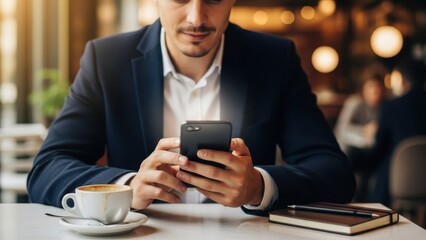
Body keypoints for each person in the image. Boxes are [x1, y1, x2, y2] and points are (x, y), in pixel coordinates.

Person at [27, 0, 355, 215]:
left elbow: (335, 173)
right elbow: (47, 169)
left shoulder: (275, 59)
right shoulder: (107, 60)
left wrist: (258, 187)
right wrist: (127, 188)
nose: (196, 18)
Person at [366, 58, 426, 206]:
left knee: (385, 160)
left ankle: (374, 212)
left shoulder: (391, 106)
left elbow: (379, 148)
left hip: (398, 183)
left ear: (404, 81)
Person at [334, 73, 386, 201]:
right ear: (364, 88)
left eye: (379, 87)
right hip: (351, 151)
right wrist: (364, 132)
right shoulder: (355, 102)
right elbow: (341, 131)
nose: (375, 91)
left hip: (372, 152)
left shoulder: (385, 106)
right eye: (371, 87)